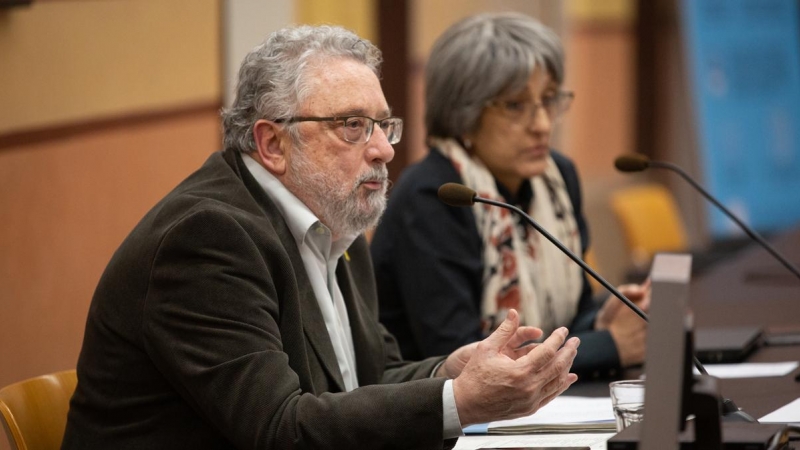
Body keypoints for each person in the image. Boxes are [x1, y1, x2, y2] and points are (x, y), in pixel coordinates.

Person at [61, 24, 580, 450]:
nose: (383, 150)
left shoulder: (337, 224)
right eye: (352, 126)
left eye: (383, 125)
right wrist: (458, 401)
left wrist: (452, 371)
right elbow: (279, 429)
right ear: (272, 143)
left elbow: (368, 379)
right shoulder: (206, 240)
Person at [371, 12, 649, 379]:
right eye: (516, 106)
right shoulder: (435, 196)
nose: (542, 124)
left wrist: (600, 317)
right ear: (463, 114)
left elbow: (569, 316)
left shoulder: (558, 179)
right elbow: (460, 357)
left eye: (549, 100)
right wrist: (609, 345)